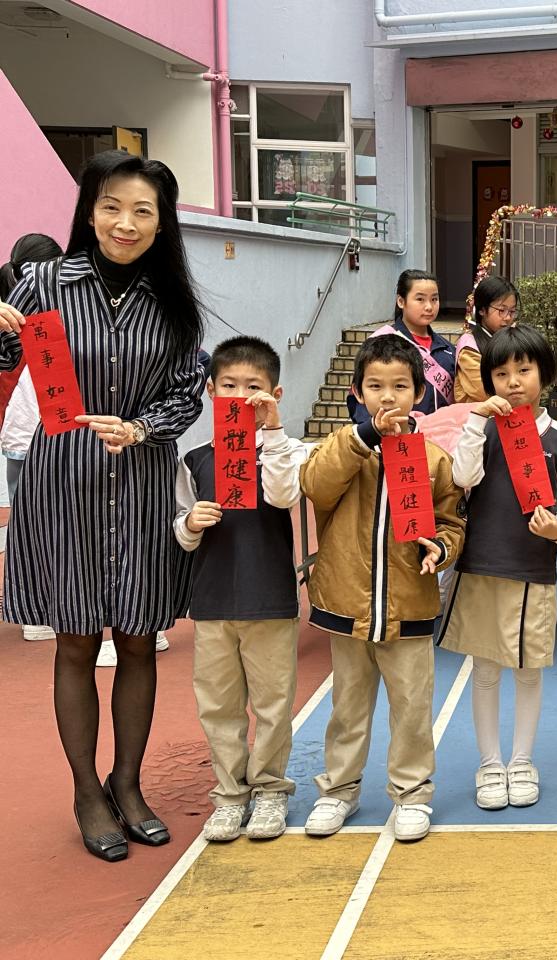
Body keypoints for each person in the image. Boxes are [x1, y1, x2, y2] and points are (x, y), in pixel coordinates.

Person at [0, 151, 206, 862]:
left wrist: (143, 427)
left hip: (141, 479)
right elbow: (5, 362)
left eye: (143, 210)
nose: (126, 222)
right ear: (90, 211)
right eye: (112, 206)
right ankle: (87, 791)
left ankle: (128, 782)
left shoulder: (172, 301)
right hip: (64, 482)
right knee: (78, 640)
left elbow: (187, 392)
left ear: (161, 222)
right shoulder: (43, 283)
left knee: (140, 637)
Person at [300, 334, 466, 843]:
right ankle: (339, 789)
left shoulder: (433, 458)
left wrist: (441, 548)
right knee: (347, 707)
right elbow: (315, 485)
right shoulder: (342, 447)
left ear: (419, 392)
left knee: (412, 707)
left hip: (409, 605)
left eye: (399, 386)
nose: (387, 396)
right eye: (375, 386)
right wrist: (364, 436)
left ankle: (412, 793)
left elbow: (452, 523)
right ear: (357, 391)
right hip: (347, 601)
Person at [440, 326, 557, 810]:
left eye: (524, 370)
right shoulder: (481, 429)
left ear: (545, 374)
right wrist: (476, 421)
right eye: (501, 374)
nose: (513, 381)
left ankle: (522, 761)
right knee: (485, 670)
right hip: (481, 566)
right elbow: (463, 477)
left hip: (532, 570)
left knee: (528, 670)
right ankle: (490, 762)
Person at [175, 337, 307, 842]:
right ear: (211, 391)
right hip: (213, 601)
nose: (241, 396)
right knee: (219, 705)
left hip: (269, 598)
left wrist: (272, 430)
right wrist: (191, 522)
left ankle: (270, 789)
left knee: (273, 703)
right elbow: (180, 532)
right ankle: (230, 794)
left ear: (275, 393)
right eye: (229, 385)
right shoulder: (195, 460)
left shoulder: (284, 451)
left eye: (254, 387)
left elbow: (284, 494)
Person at [0, 233, 62, 642]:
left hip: (27, 437)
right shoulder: (36, 320)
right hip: (38, 438)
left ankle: (36, 612)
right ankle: (38, 613)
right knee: (48, 526)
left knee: (30, 527)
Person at [346, 270, 454, 424]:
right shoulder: (380, 342)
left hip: (438, 433)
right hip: (393, 431)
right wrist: (373, 429)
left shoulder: (448, 349)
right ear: (401, 301)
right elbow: (361, 397)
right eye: (420, 299)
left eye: (434, 299)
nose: (429, 306)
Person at [454, 275, 519, 403]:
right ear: (482, 310)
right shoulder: (470, 347)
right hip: (480, 413)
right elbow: (484, 391)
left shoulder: (507, 339)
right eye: (501, 310)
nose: (507, 318)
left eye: (512, 311)